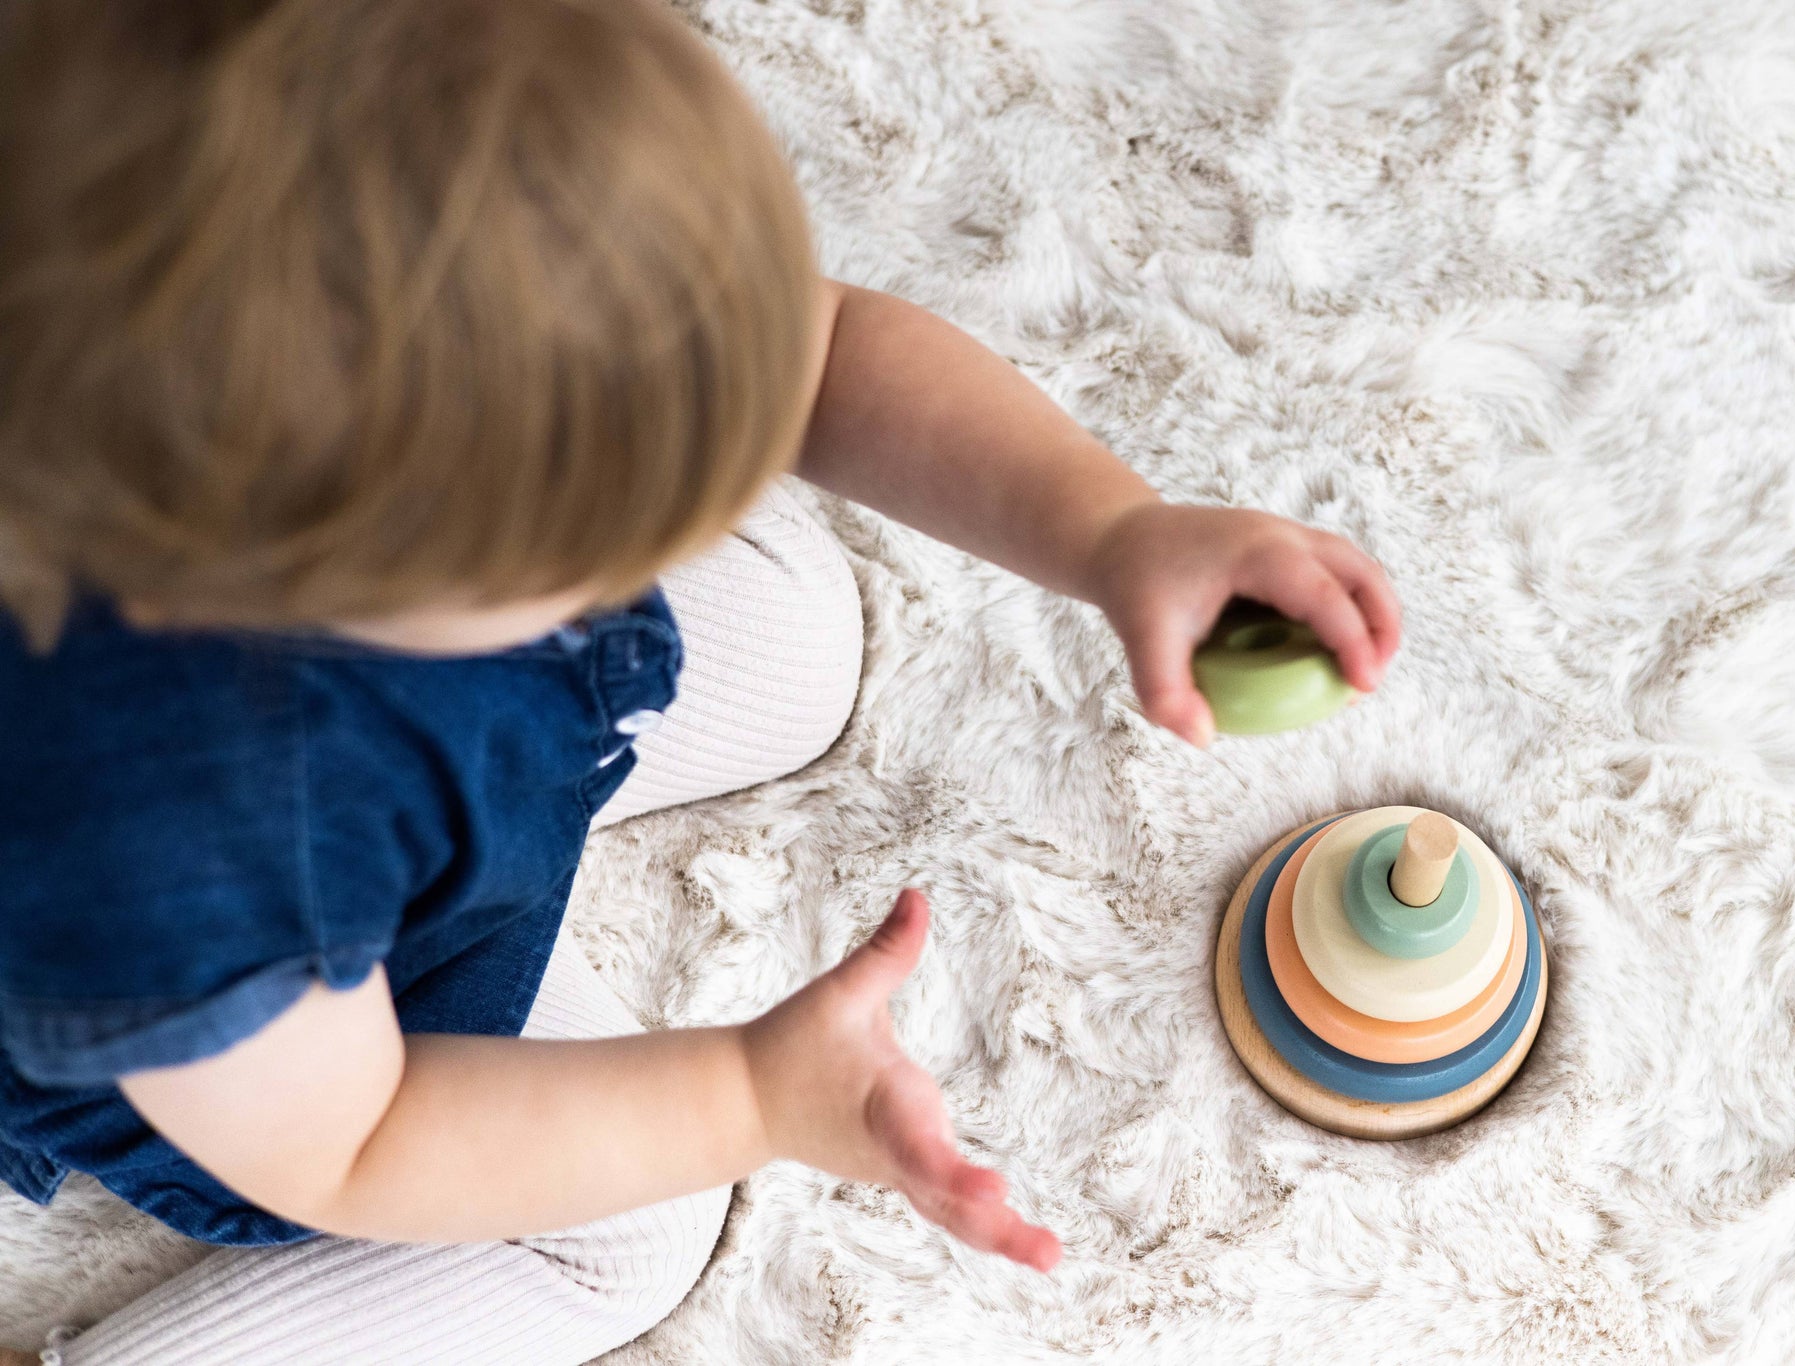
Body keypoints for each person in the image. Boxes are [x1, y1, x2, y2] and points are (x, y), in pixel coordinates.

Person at [0, 1, 1403, 1361]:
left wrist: (1110, 531)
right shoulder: (181, 849)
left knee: (799, 626)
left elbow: (831, 351)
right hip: (270, 1065)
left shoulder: (449, 214)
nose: (683, 525)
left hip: (391, 739)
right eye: (591, 540)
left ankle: (509, 764)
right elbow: (359, 1143)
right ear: (328, 579)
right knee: (629, 1232)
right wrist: (746, 1092)